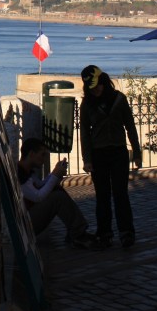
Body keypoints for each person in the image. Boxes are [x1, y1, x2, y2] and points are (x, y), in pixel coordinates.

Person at [79, 65, 142, 248]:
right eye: (91, 87)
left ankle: (126, 232)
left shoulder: (119, 100)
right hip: (98, 154)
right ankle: (104, 232)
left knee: (121, 194)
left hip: (118, 152)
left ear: (103, 81)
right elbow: (84, 133)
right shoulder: (87, 104)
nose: (95, 89)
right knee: (102, 196)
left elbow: (130, 127)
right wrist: (87, 159)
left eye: (97, 85)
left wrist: (137, 153)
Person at [16, 137, 101, 249]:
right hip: (25, 224)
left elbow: (41, 185)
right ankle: (78, 234)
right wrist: (55, 175)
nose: (44, 159)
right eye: (42, 155)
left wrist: (55, 174)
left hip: (29, 217)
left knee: (56, 189)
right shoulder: (20, 174)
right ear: (31, 154)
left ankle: (76, 231)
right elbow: (38, 196)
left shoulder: (27, 172)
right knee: (57, 197)